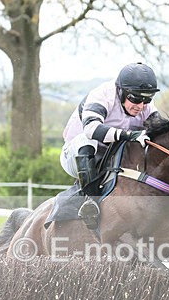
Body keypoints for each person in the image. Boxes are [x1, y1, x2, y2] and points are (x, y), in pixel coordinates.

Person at [60, 62, 161, 226]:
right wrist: (129, 135)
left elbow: (161, 132)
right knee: (87, 139)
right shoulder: (102, 95)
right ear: (121, 91)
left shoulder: (145, 106)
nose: (141, 106)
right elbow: (91, 129)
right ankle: (90, 201)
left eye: (146, 99)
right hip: (77, 155)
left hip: (111, 157)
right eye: (135, 99)